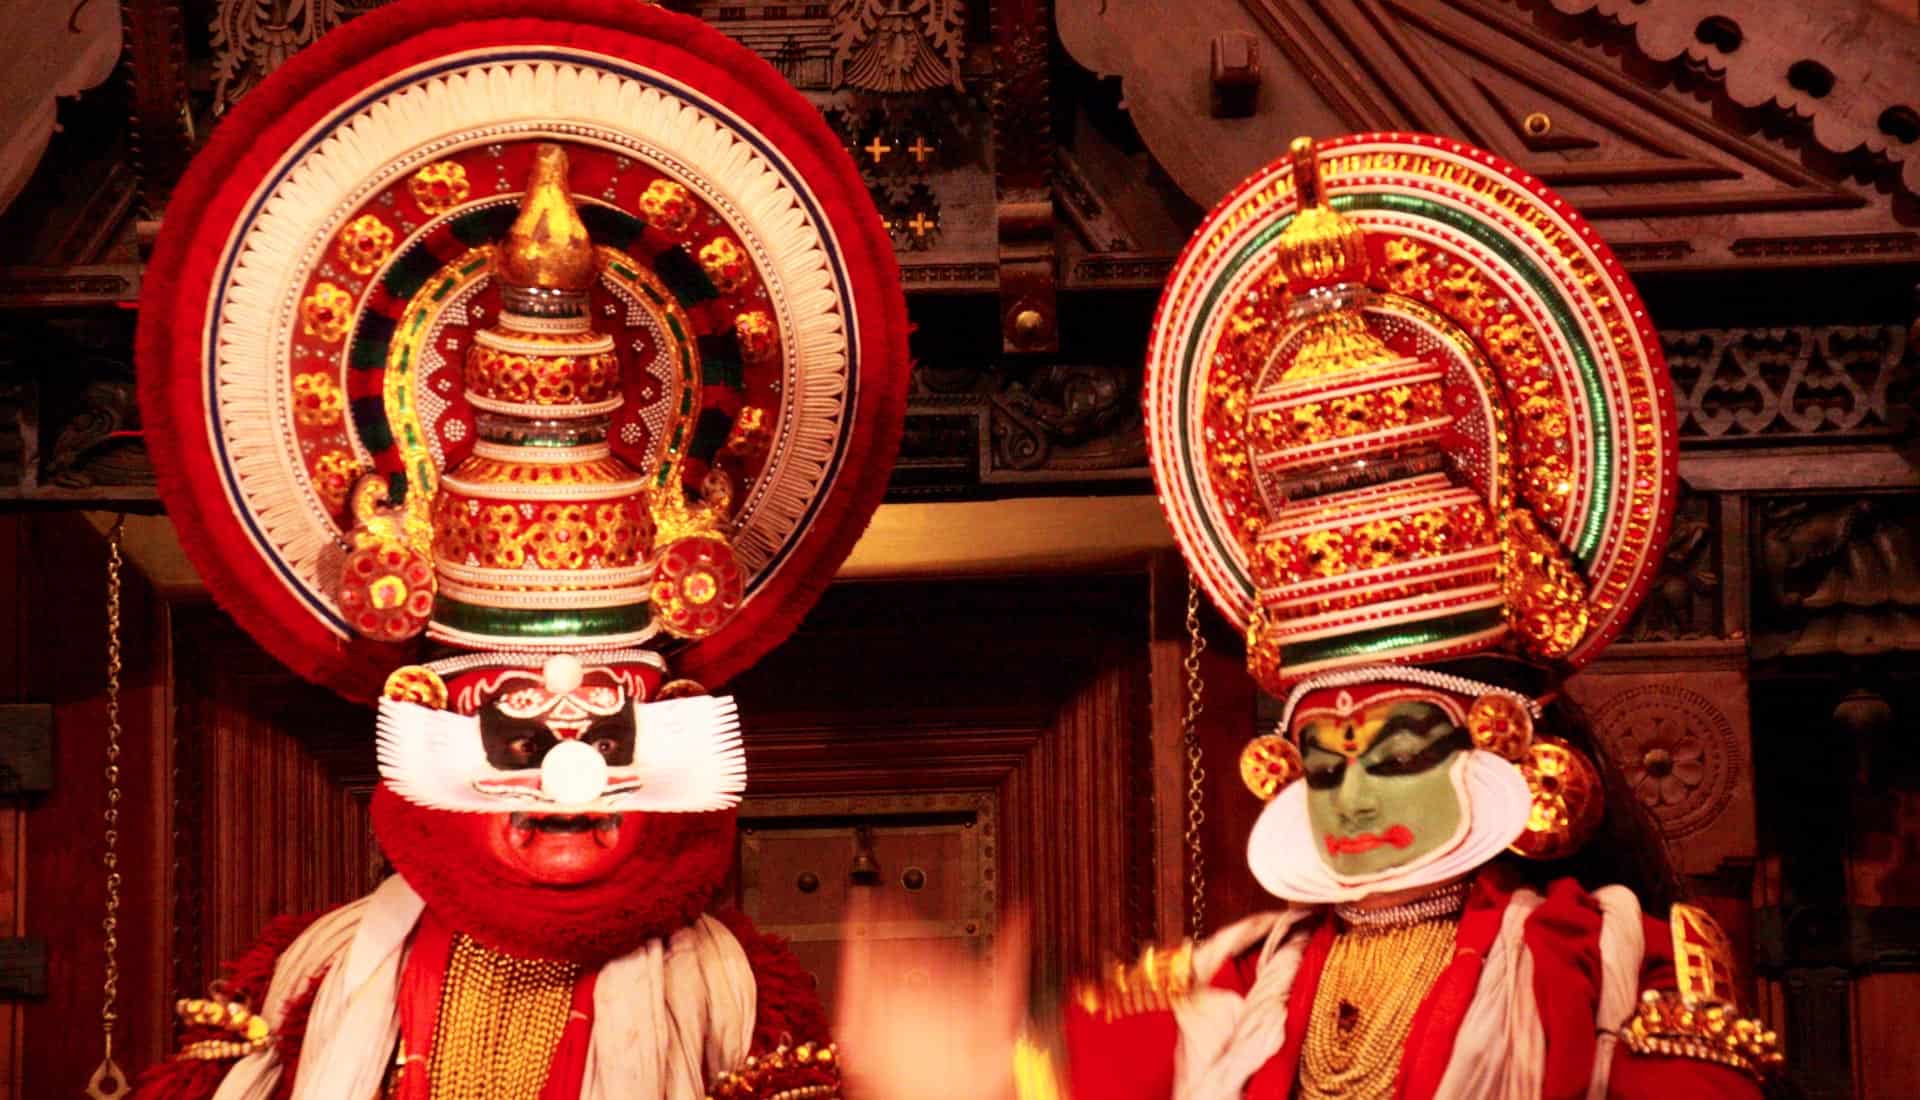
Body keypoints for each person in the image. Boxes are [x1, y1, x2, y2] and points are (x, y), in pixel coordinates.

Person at [836, 135, 1784, 1100]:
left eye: (1396, 752)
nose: (1352, 802)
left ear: (1499, 745)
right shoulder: (1235, 998)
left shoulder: (1607, 974)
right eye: (1326, 761)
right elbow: (1035, 1072)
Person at [128, 2, 907, 1095]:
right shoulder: (318, 979)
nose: (571, 767)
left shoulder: (732, 1002)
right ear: (436, 714)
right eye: (520, 723)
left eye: (605, 714)